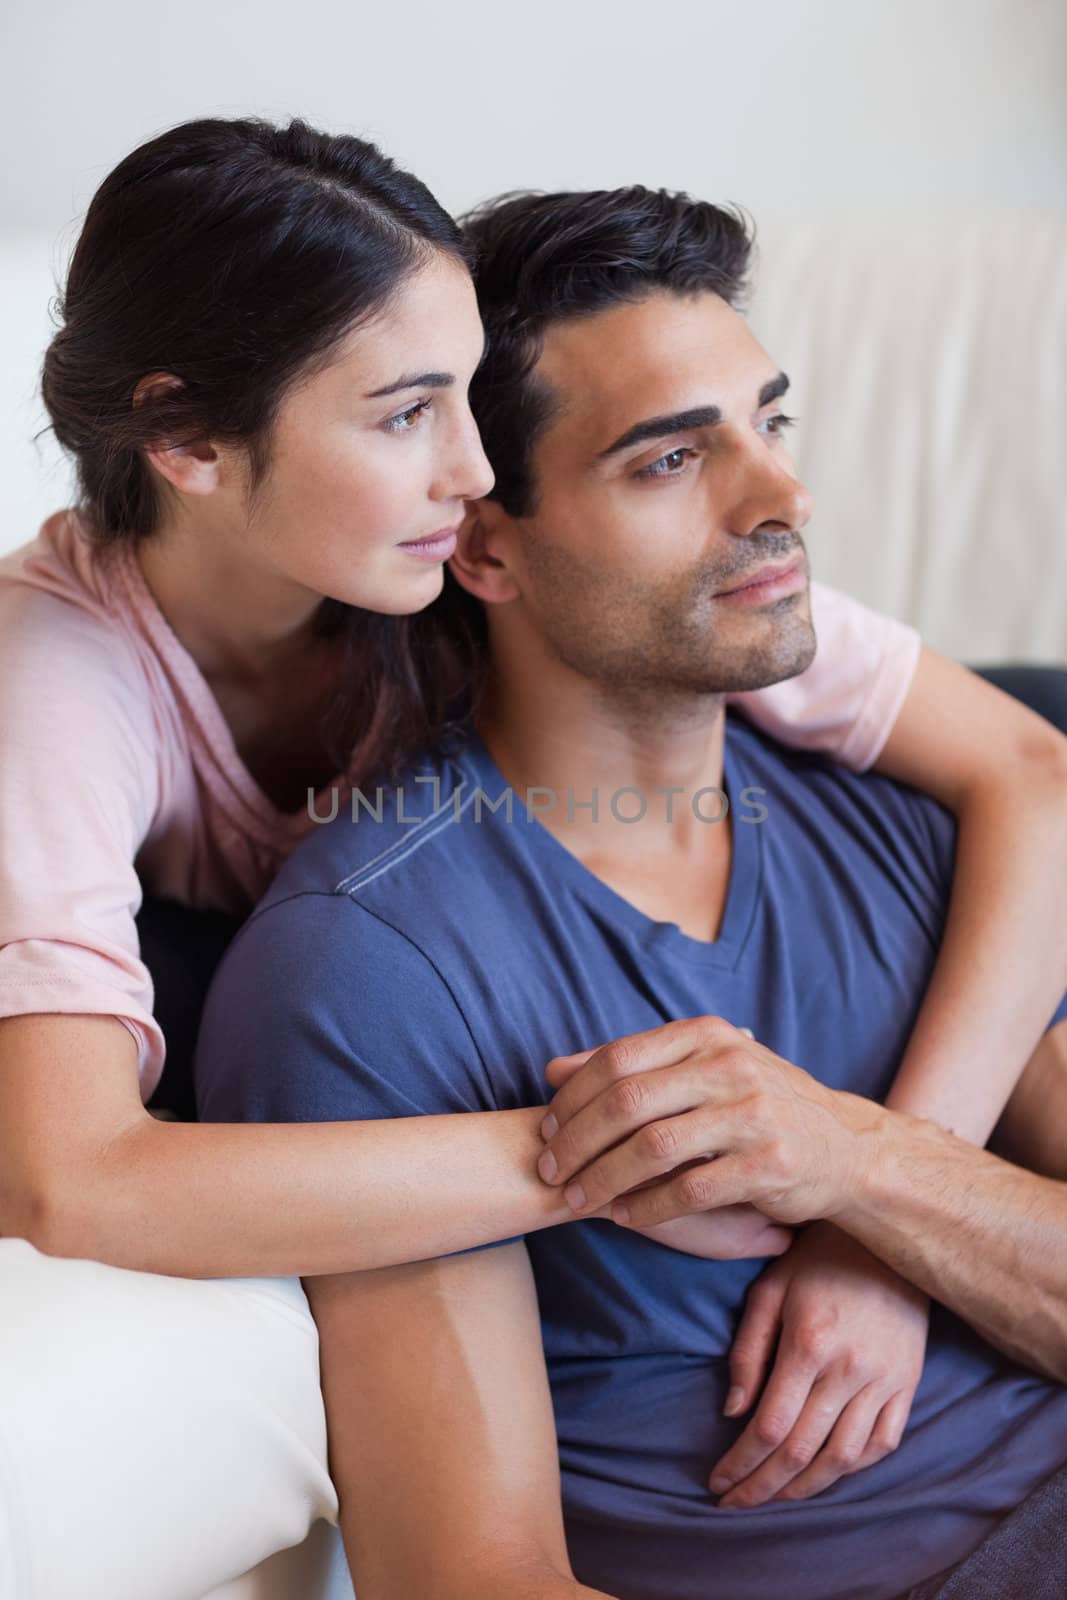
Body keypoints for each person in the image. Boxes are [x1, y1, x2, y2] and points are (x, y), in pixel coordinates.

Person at [0, 115, 1064, 1596]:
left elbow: (1025, 765)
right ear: (184, 442)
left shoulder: (673, 657)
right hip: (192, 970)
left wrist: (878, 1187)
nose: (469, 469)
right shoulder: (73, 691)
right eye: (404, 415)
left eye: (773, 422)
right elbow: (68, 1175)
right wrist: (620, 1150)